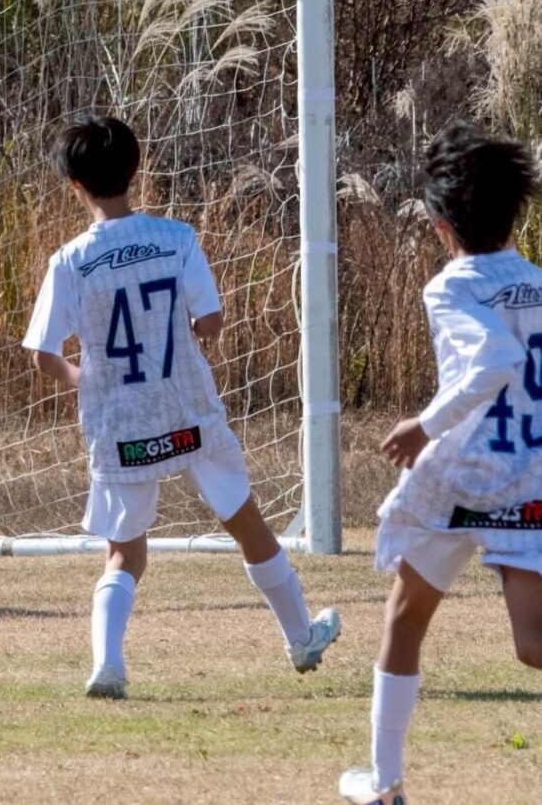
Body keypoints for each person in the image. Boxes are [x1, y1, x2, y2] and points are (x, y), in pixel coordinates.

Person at [22, 115, 340, 699]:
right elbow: (211, 323)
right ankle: (300, 637)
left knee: (124, 554)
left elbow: (43, 354)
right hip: (187, 411)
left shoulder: (69, 261)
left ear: (75, 186)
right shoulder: (177, 238)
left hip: (120, 423)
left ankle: (108, 664)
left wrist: (84, 377)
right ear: (136, 172)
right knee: (248, 525)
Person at [339, 122, 542, 805]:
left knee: (406, 616)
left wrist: (422, 425)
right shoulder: (539, 284)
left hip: (461, 473)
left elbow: (496, 360)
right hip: (529, 473)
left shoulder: (451, 286)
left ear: (438, 223)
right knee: (532, 642)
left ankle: (386, 782)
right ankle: (383, 782)